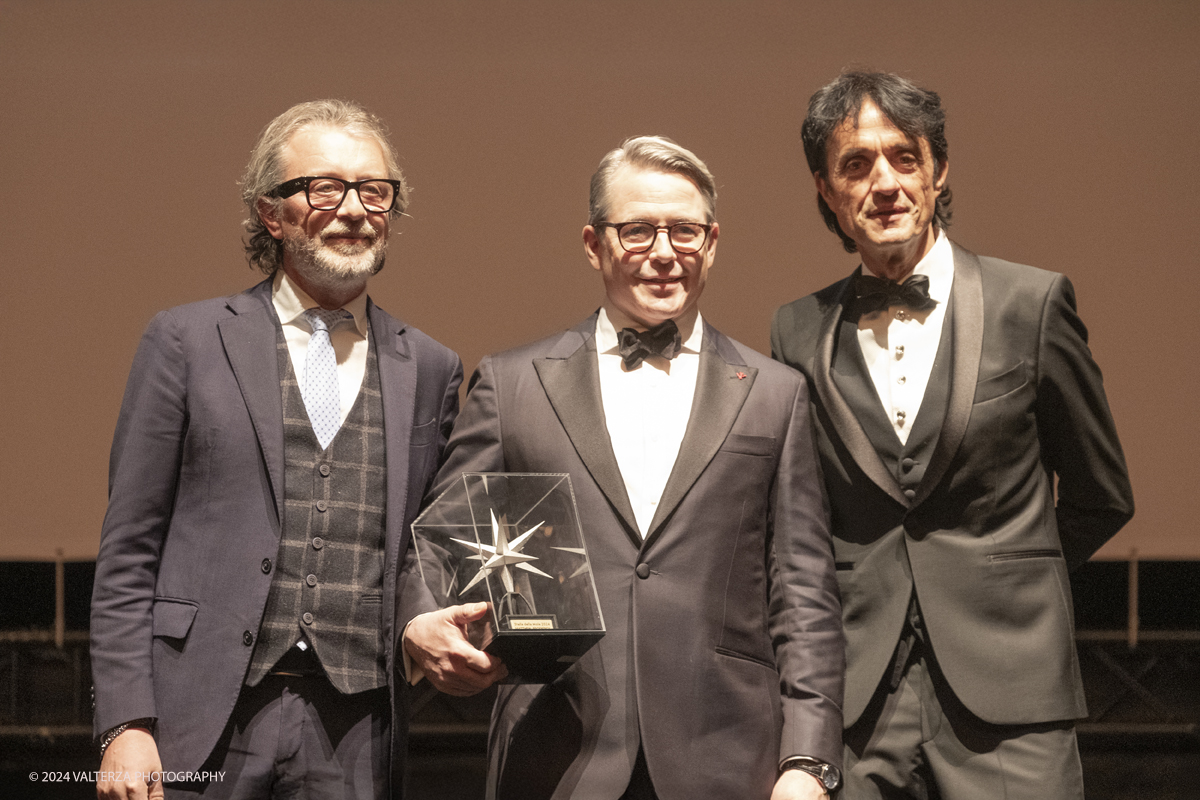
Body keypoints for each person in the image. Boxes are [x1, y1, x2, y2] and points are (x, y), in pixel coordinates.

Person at [403, 136, 845, 800]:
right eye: (638, 231)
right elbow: (439, 539)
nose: (664, 252)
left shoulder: (776, 394)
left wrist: (808, 763)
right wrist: (418, 624)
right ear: (593, 244)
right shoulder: (512, 383)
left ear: (713, 242)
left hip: (730, 761)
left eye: (684, 232)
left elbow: (805, 596)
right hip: (553, 757)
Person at [90, 99, 501, 800]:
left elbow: (417, 551)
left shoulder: (431, 366)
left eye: (374, 190)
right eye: (324, 187)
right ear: (270, 214)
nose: (353, 208)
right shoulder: (186, 342)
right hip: (201, 715)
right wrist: (125, 721)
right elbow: (130, 545)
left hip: (358, 726)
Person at [770, 71, 1135, 799]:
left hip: (1012, 699)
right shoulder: (795, 331)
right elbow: (800, 524)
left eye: (904, 158)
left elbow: (1101, 493)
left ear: (939, 172)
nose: (885, 182)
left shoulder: (1031, 304)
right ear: (825, 191)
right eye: (856, 164)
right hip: (859, 699)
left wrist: (1006, 580)